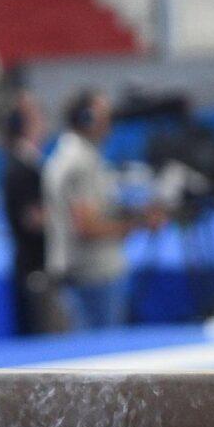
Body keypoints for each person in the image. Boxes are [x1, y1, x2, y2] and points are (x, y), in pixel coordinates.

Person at [41, 89, 166, 331]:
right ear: (87, 118)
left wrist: (135, 214)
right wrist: (139, 223)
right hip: (94, 274)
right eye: (104, 116)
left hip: (87, 273)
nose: (110, 123)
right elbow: (86, 225)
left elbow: (97, 211)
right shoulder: (79, 161)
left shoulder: (74, 155)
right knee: (99, 357)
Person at [1, 91, 54, 335]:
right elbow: (32, 220)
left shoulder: (30, 164)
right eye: (37, 116)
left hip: (38, 267)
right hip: (35, 269)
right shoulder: (21, 169)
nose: (44, 122)